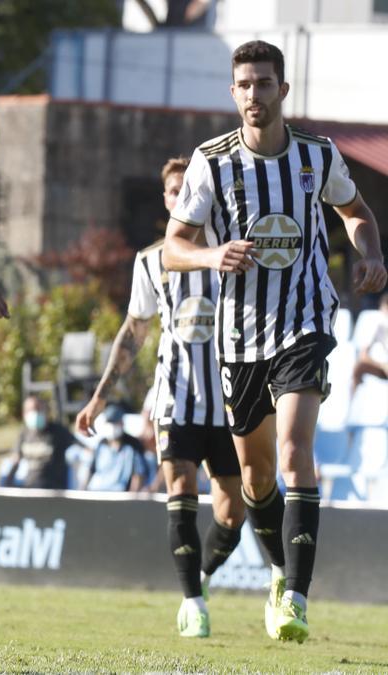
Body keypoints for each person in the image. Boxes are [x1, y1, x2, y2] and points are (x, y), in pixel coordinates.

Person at [164, 40, 386, 642]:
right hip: (238, 340)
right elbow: (172, 246)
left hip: (306, 321)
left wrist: (370, 252)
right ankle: (277, 572)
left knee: (294, 452)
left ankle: (296, 598)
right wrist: (213, 253)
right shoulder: (211, 163)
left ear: (282, 91)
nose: (254, 95)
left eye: (265, 84)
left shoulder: (318, 156)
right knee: (257, 478)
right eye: (244, 85)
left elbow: (357, 211)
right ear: (233, 93)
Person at [75, 157, 246, 638]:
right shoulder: (151, 261)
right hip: (176, 399)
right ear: (168, 200)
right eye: (173, 191)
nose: (180, 198)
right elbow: (134, 332)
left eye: (187, 191)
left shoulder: (230, 255)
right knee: (181, 492)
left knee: (234, 510)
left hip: (231, 404)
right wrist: (100, 399)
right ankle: (192, 602)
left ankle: (203, 578)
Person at [5, 395, 77, 489]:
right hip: (29, 486)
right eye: (30, 410)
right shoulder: (24, 433)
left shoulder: (58, 431)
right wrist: (8, 483)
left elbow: (79, 447)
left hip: (53, 488)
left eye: (38, 409)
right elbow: (15, 459)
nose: (35, 413)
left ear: (46, 411)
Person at [82, 406, 152, 492]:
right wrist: (83, 491)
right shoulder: (101, 443)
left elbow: (139, 474)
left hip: (119, 494)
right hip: (95, 491)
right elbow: (91, 471)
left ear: (122, 423)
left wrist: (132, 498)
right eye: (109, 423)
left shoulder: (133, 445)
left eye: (115, 423)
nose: (112, 426)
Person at [352, 294, 388, 387]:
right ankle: (353, 399)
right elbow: (363, 357)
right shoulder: (377, 323)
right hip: (381, 367)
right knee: (359, 367)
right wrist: (383, 366)